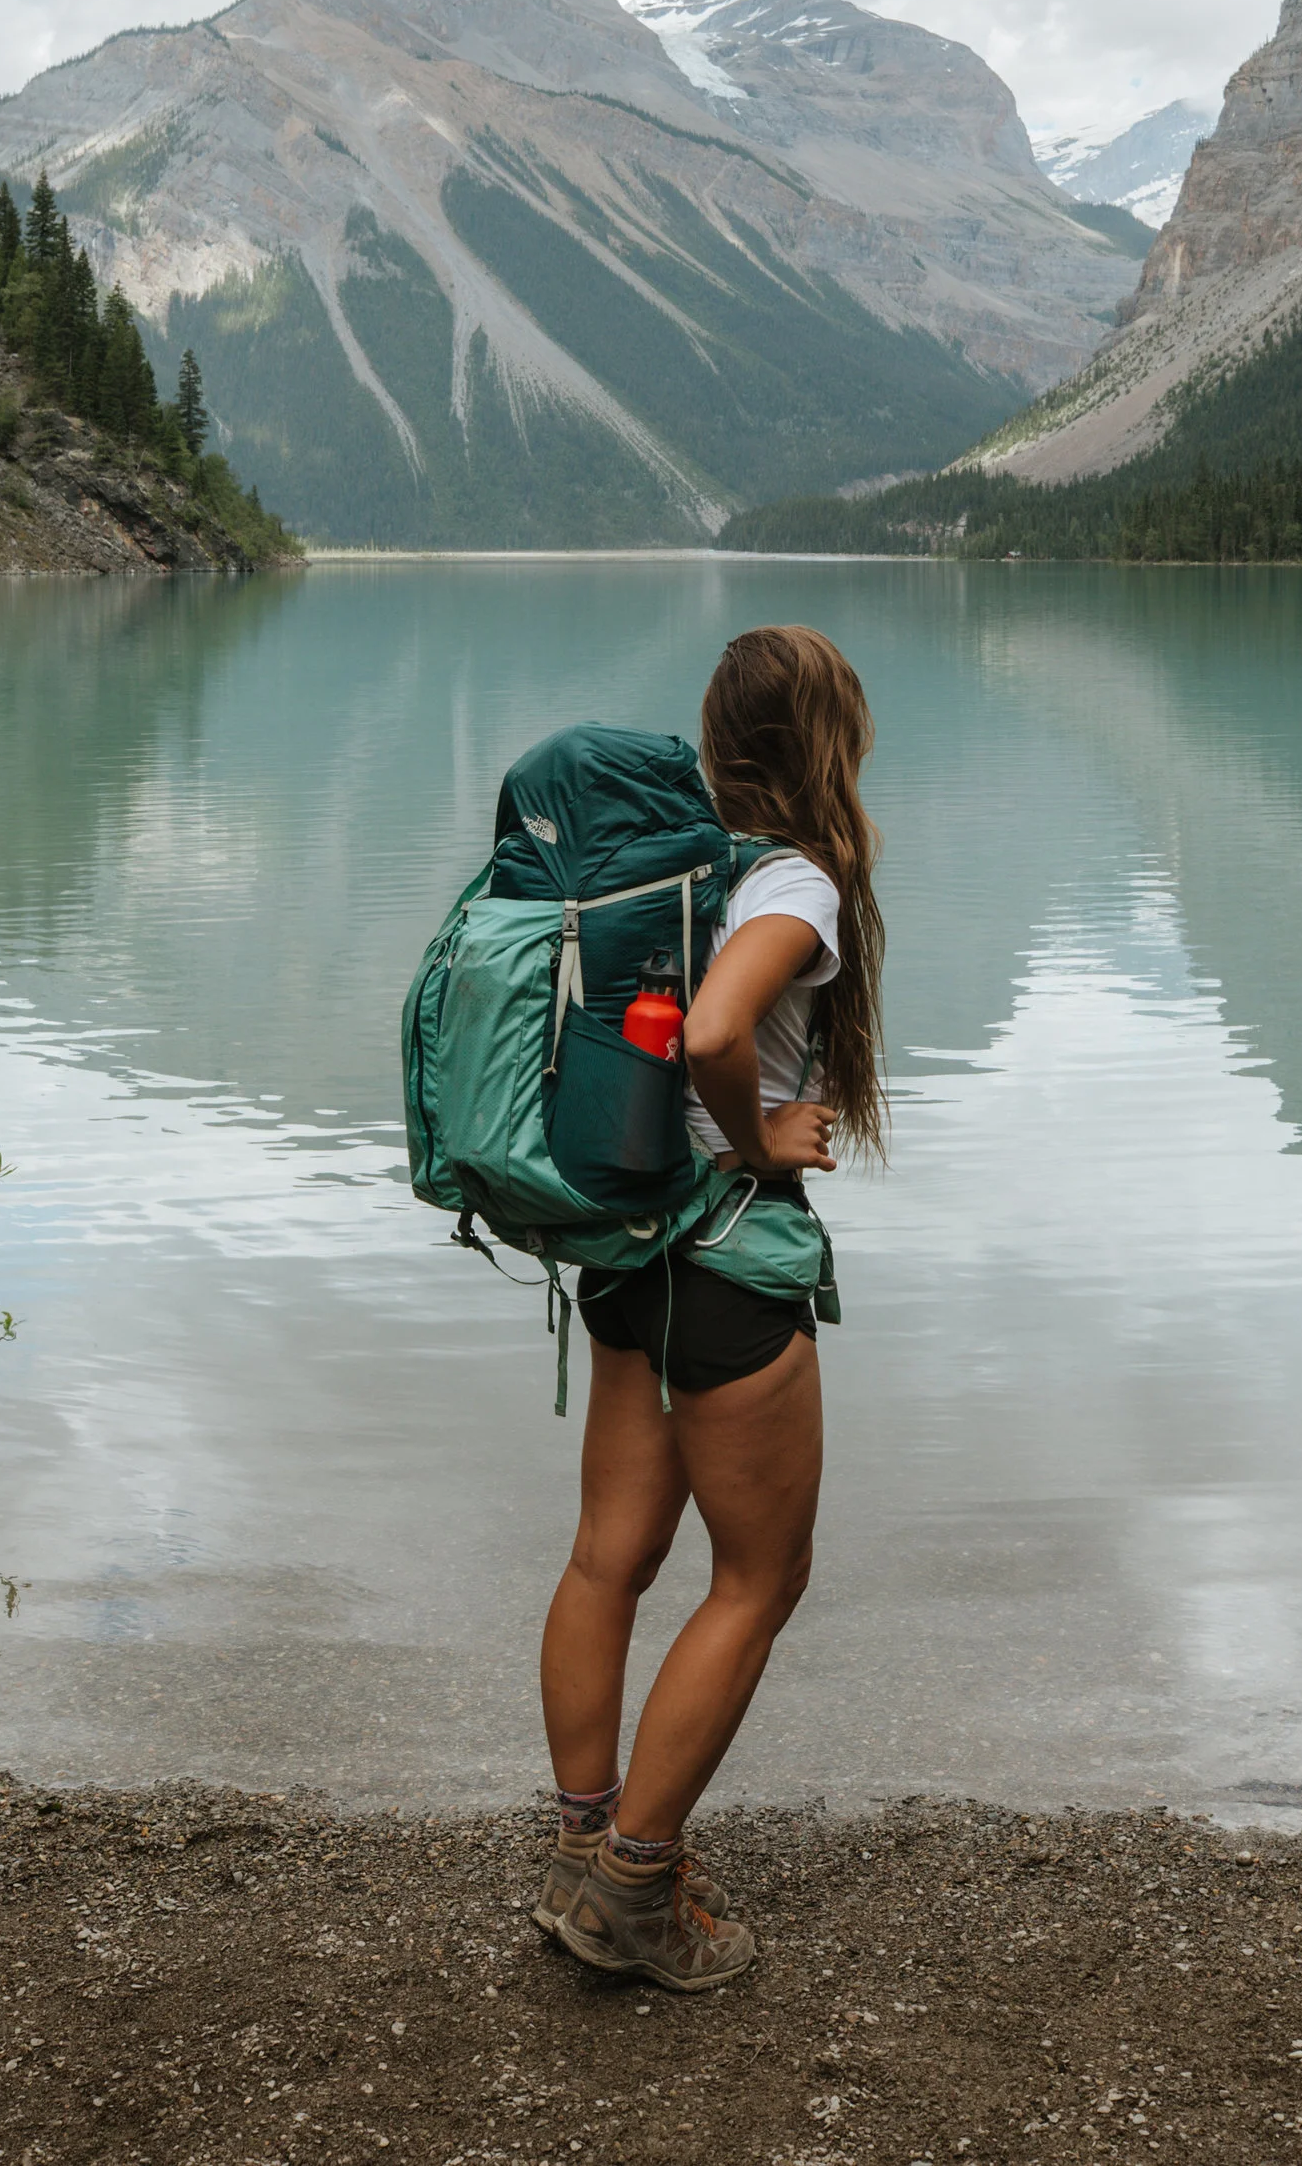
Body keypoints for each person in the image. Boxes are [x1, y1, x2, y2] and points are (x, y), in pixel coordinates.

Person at [537, 623, 887, 1993]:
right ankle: (635, 1888)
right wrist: (754, 1142)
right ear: (829, 741)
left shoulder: (682, 864)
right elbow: (716, 1034)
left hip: (632, 1256)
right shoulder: (794, 882)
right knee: (759, 1579)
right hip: (730, 1263)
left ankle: (580, 1852)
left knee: (607, 1560)